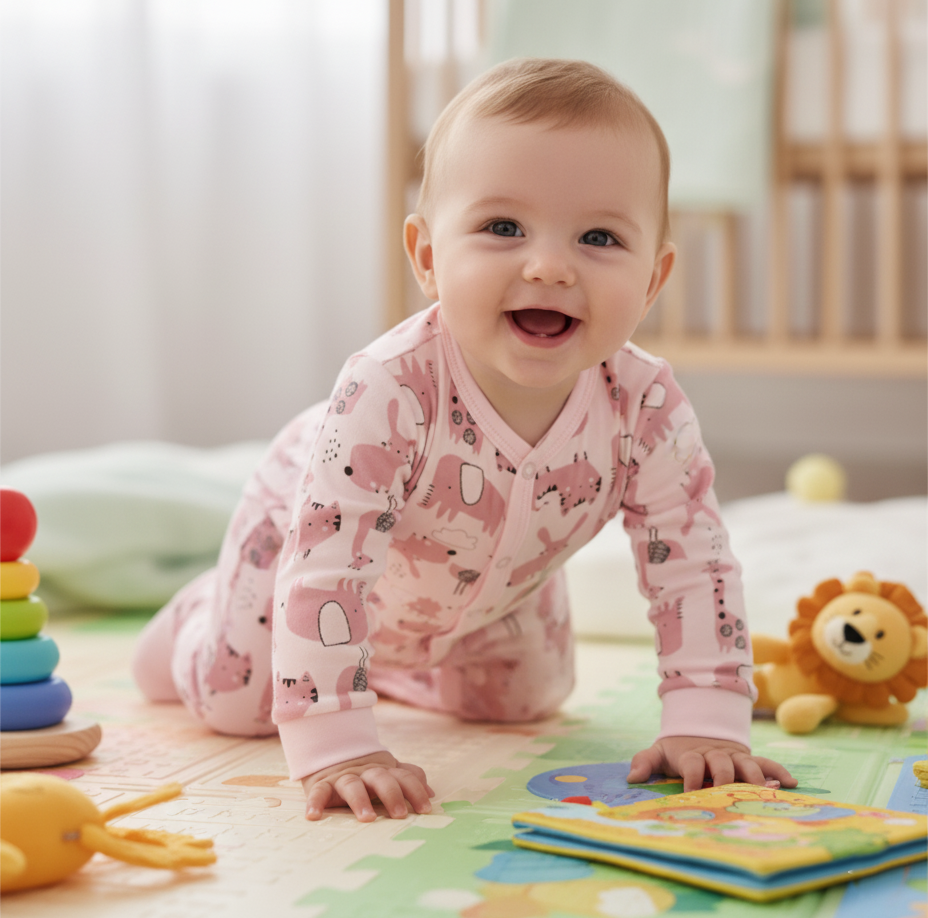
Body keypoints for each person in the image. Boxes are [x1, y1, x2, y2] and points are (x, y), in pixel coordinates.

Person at [132, 58, 796, 823]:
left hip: (493, 582)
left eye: (599, 237)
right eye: (503, 228)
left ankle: (390, 659)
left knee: (524, 701)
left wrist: (706, 724)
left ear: (653, 279)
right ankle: (199, 616)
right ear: (426, 257)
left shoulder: (644, 404)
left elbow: (694, 563)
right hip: (308, 537)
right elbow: (329, 564)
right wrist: (339, 740)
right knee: (236, 698)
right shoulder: (389, 388)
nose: (549, 265)